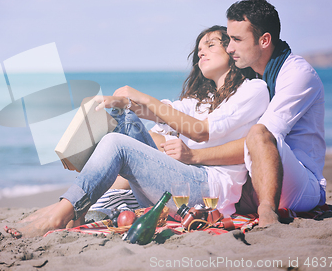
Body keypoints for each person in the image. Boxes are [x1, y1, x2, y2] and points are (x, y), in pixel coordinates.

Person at [17, 25, 269, 237]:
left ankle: (65, 211)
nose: (201, 52)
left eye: (211, 45)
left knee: (117, 144)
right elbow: (158, 112)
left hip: (208, 193)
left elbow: (200, 131)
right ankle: (80, 198)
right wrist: (121, 103)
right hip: (182, 181)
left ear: (232, 50)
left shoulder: (252, 90)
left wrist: (140, 96)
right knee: (123, 117)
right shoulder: (200, 100)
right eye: (199, 49)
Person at [187, 0, 326, 227]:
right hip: (253, 178)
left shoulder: (297, 74)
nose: (229, 48)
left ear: (264, 40)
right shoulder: (254, 76)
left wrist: (194, 155)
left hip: (301, 186)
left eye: (237, 40)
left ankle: (267, 213)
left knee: (259, 132)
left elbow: (262, 138)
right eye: (229, 39)